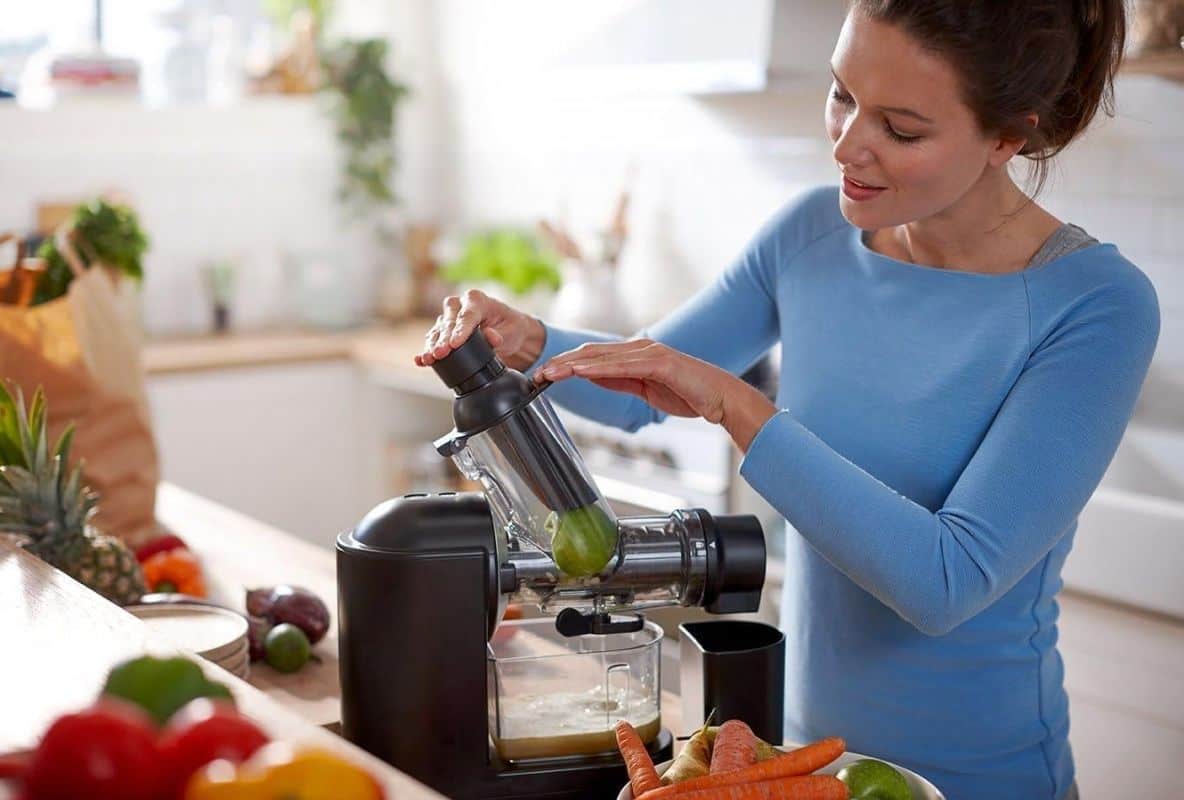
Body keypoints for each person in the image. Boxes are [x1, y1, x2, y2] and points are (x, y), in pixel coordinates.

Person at [415, 2, 1160, 797]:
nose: (845, 145)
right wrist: (526, 341)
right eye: (842, 95)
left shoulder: (1094, 302)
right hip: (801, 769)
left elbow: (946, 582)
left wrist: (737, 407)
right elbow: (641, 395)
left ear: (1008, 136)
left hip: (984, 778)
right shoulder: (810, 236)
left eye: (901, 130)